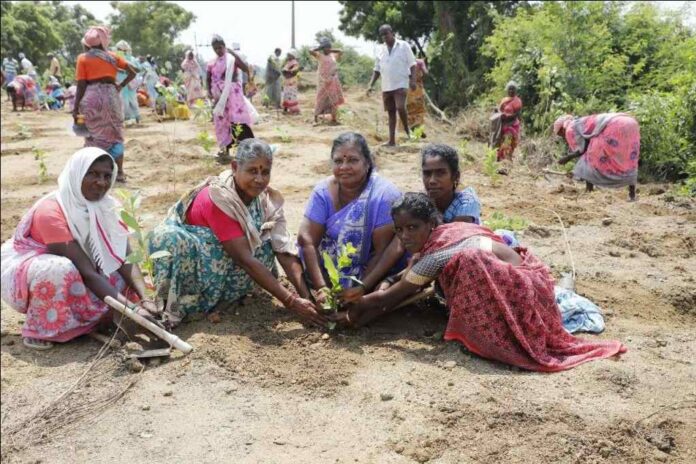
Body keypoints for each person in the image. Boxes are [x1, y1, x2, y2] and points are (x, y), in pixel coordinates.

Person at [336, 192, 627, 372]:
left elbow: (390, 297)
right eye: (399, 230)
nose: (405, 236)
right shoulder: (446, 236)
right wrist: (382, 283)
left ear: (431, 225)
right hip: (533, 279)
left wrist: (352, 302)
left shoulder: (433, 257)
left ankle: (489, 337)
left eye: (413, 228)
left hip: (524, 290)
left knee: (472, 265)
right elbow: (401, 279)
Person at [148, 139, 326, 328]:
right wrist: (291, 302)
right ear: (234, 167)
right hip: (199, 266)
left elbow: (283, 250)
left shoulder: (266, 199)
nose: (259, 179)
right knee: (170, 238)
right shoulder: (219, 198)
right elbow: (244, 259)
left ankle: (226, 296)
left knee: (267, 239)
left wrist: (308, 299)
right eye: (252, 171)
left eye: (265, 172)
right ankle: (192, 302)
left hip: (228, 266)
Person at [0, 148, 159, 350]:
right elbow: (86, 271)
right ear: (76, 174)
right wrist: (131, 309)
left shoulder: (109, 207)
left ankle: (89, 319)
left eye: (107, 176)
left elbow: (124, 257)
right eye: (92, 173)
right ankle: (43, 328)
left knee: (114, 272)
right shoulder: (51, 211)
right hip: (31, 273)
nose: (101, 182)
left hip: (83, 269)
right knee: (59, 269)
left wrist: (145, 301)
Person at [298, 132, 405, 302]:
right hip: (328, 269)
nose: (344, 167)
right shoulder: (322, 192)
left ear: (367, 163)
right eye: (338, 161)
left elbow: (381, 251)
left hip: (370, 272)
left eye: (353, 160)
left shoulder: (383, 195)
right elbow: (307, 240)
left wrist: (361, 287)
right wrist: (321, 288)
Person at [72, 25, 137, 184]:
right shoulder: (113, 57)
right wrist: (120, 86)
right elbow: (133, 72)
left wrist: (76, 108)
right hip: (111, 97)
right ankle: (120, 172)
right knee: (115, 133)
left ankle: (93, 172)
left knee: (92, 135)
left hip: (91, 97)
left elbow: (81, 85)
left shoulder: (83, 58)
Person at [554, 113, 639, 201]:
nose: (562, 137)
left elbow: (580, 150)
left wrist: (566, 158)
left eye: (560, 135)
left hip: (613, 124)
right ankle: (632, 195)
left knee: (589, 160)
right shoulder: (582, 122)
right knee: (629, 159)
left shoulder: (570, 128)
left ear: (561, 130)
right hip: (630, 122)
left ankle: (589, 191)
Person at [206, 34, 256, 163]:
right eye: (215, 48)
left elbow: (245, 68)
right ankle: (225, 151)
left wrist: (233, 54)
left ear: (225, 46)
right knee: (222, 124)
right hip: (220, 99)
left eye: (220, 47)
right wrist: (210, 92)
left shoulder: (231, 59)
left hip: (233, 97)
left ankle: (247, 150)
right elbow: (208, 78)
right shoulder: (212, 62)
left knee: (238, 122)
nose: (218, 50)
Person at [367, 24, 417, 146]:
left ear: (392, 33)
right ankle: (392, 140)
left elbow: (412, 64)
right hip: (386, 85)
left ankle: (407, 130)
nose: (385, 37)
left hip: (401, 83)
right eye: (382, 35)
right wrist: (370, 84)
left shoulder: (403, 45)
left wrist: (413, 80)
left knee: (400, 107)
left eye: (386, 34)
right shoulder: (380, 49)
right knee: (391, 112)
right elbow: (377, 69)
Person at [421, 144, 481, 224]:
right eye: (427, 173)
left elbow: (452, 234)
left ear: (455, 176)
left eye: (440, 173)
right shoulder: (422, 202)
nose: (432, 181)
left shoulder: (466, 202)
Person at [490, 81, 523, 166]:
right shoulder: (504, 100)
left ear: (516, 91)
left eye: (513, 89)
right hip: (502, 126)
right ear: (507, 90)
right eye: (510, 89)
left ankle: (505, 164)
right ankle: (500, 163)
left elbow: (517, 115)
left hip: (511, 126)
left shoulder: (517, 101)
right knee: (499, 143)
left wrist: (507, 117)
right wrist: (497, 111)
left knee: (507, 144)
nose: (511, 91)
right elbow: (500, 110)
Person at [115, 40, 141, 124]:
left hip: (129, 81)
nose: (120, 51)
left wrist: (128, 69)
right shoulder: (117, 57)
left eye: (120, 49)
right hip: (121, 81)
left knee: (131, 100)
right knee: (123, 100)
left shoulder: (131, 58)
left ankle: (136, 117)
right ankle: (128, 118)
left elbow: (138, 69)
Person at [406, 48, 428, 137]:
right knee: (420, 110)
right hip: (418, 89)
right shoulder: (419, 62)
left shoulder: (404, 63)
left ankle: (410, 128)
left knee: (408, 110)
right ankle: (418, 128)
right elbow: (426, 73)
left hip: (407, 89)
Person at [281, 49, 301, 115]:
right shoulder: (288, 62)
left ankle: (294, 110)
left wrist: (287, 71)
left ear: (293, 55)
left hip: (291, 81)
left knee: (291, 96)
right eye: (287, 55)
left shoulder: (294, 62)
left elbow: (294, 70)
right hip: (287, 81)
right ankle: (285, 108)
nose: (287, 56)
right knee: (286, 95)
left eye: (289, 55)